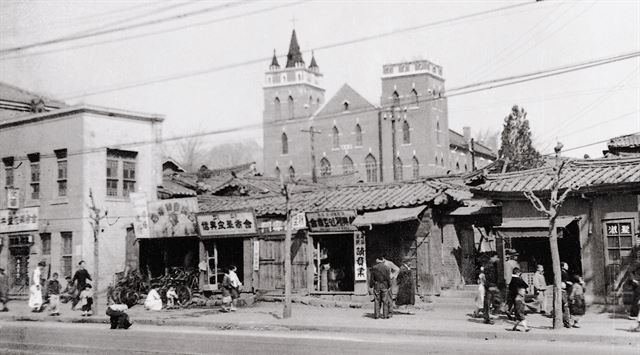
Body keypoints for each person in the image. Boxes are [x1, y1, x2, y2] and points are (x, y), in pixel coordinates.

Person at [483, 255, 500, 325]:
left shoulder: (494, 265)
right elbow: (484, 278)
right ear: (492, 257)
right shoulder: (488, 266)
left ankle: (489, 317)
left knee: (494, 302)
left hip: (493, 286)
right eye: (496, 257)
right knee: (488, 302)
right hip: (490, 287)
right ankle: (488, 318)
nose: (497, 259)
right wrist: (488, 286)